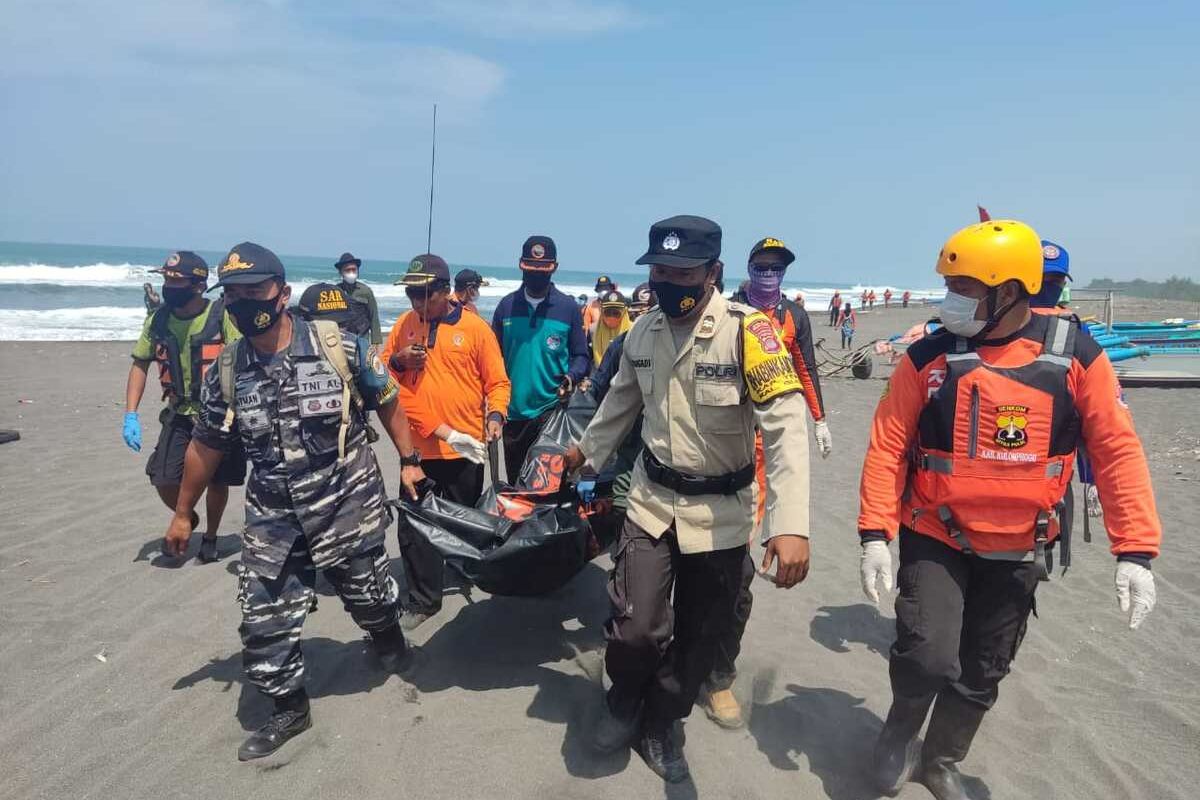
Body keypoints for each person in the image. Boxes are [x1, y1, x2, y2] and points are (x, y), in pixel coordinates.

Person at [858, 220, 1160, 800]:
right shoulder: (927, 358)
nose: (951, 297)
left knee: (984, 666)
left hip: (1023, 543)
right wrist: (875, 533)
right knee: (926, 655)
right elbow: (888, 444)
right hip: (936, 533)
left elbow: (1117, 449)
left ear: (1011, 291)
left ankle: (940, 760)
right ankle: (897, 737)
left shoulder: (1076, 357)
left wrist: (1136, 551)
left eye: (965, 287)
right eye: (949, 284)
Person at [563, 215, 813, 784]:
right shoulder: (642, 333)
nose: (669, 282)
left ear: (712, 273)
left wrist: (790, 524)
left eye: (683, 272)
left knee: (701, 635)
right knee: (636, 627)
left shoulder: (749, 333)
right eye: (660, 271)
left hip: (721, 514)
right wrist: (586, 453)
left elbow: (784, 427)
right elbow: (620, 402)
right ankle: (624, 697)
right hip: (651, 502)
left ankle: (661, 721)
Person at [161, 242, 427, 761]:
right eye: (232, 294)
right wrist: (182, 512)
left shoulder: (339, 346)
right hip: (274, 518)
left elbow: (388, 400)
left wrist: (410, 460)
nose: (242, 302)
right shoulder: (228, 370)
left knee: (369, 596)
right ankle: (289, 706)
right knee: (262, 619)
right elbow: (206, 444)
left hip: (345, 503)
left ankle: (387, 636)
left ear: (281, 294)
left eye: (253, 290)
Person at [697, 235, 833, 728]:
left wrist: (819, 419)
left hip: (766, 449)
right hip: (721, 442)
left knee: (737, 569)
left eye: (777, 267)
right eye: (762, 266)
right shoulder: (727, 311)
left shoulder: (793, 316)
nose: (769, 274)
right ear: (748, 268)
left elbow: (806, 368)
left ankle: (719, 676)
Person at [384, 253, 511, 630]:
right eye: (410, 294)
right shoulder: (405, 324)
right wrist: (399, 361)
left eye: (423, 294)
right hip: (415, 450)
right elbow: (383, 379)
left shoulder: (476, 329)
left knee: (462, 521)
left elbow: (497, 382)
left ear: (444, 291)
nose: (415, 302)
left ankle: (463, 569)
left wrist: (495, 415)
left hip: (464, 447)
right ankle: (424, 599)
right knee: (413, 525)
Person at [124, 251, 245, 563]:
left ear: (198, 285)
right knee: (163, 477)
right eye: (166, 279)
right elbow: (140, 364)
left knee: (217, 479)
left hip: (219, 412)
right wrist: (130, 414)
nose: (169, 286)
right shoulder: (158, 319)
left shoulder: (220, 316)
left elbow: (242, 355)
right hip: (179, 411)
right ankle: (187, 517)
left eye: (176, 281)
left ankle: (211, 538)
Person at [492, 236, 590, 482]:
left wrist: (571, 376)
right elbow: (492, 359)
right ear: (521, 265)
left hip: (552, 412)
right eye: (531, 269)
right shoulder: (506, 307)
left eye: (542, 270)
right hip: (513, 413)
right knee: (518, 485)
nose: (536, 274)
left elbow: (581, 356)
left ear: (554, 268)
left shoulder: (567, 308)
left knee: (548, 484)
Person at [333, 251, 382, 344]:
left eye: (354, 269)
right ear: (341, 272)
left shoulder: (366, 291)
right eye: (347, 270)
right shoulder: (335, 291)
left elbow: (374, 317)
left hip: (362, 337)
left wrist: (376, 342)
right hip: (342, 337)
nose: (351, 272)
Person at [591, 290, 631, 367]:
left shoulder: (633, 330)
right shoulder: (593, 330)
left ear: (624, 312)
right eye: (608, 313)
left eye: (616, 313)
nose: (612, 316)